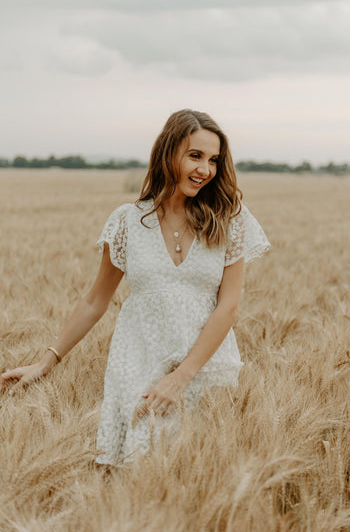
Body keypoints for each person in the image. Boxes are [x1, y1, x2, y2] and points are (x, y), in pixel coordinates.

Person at [0, 109, 270, 467]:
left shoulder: (229, 219)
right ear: (168, 153)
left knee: (204, 476)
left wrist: (181, 376)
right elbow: (95, 301)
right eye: (195, 156)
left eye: (214, 160)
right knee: (136, 476)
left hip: (206, 371)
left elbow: (229, 307)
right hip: (138, 370)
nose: (206, 169)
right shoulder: (128, 222)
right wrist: (46, 362)